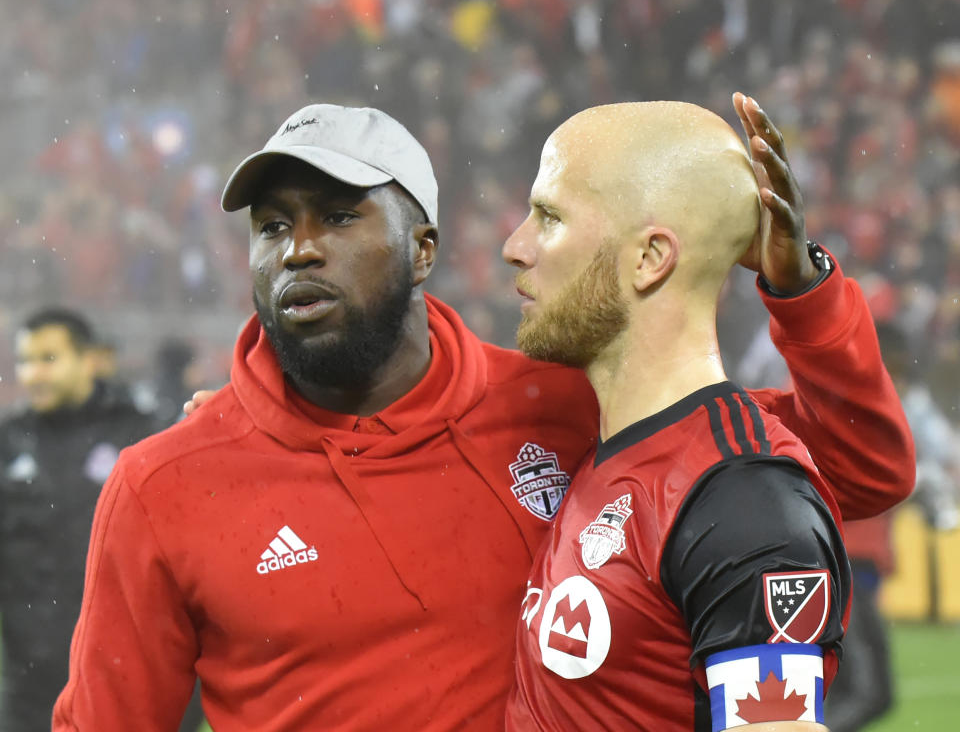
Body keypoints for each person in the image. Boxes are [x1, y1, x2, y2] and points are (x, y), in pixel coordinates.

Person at [54, 100, 912, 732]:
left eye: (342, 216)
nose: (300, 249)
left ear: (423, 249)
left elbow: (855, 469)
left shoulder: (559, 402)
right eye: (272, 226)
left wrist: (802, 292)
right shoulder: (165, 485)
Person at [502, 101, 871, 731]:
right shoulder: (608, 451)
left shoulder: (745, 504)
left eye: (550, 217)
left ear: (650, 258)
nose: (515, 247)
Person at [0, 310, 168, 731]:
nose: (33, 373)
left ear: (88, 360)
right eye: (25, 361)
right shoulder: (8, 440)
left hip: (126, 677)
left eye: (48, 359)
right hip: (31, 685)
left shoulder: (142, 432)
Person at [826, 322, 959, 732]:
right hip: (844, 569)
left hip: (842, 569)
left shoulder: (847, 407)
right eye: (897, 371)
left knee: (846, 693)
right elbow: (891, 477)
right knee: (868, 694)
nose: (901, 384)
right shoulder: (856, 412)